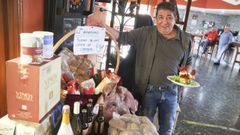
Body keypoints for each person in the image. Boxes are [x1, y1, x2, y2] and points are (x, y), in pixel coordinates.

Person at [99, 2, 193, 135]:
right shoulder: (145, 33)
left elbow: (189, 60)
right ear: (155, 18)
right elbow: (122, 37)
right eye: (161, 17)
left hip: (172, 91)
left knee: (167, 129)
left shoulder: (185, 39)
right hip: (149, 91)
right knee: (143, 127)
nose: (164, 22)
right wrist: (103, 26)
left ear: (175, 18)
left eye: (169, 17)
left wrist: (186, 74)